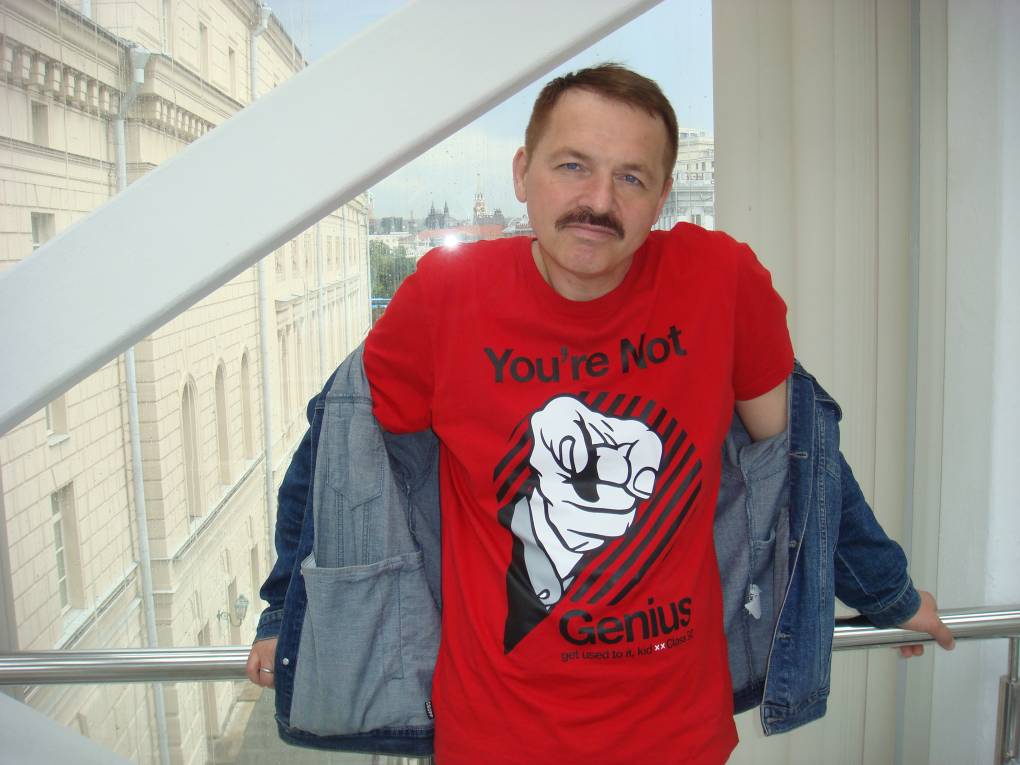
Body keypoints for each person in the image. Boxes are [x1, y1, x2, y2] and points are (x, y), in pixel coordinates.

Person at [247, 64, 953, 764]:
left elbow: (801, 461)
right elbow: (338, 446)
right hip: (495, 741)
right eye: (573, 166)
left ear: (662, 196)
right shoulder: (445, 297)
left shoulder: (720, 280)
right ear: (523, 173)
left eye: (631, 177)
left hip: (678, 738)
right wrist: (286, 611)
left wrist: (886, 592)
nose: (598, 201)